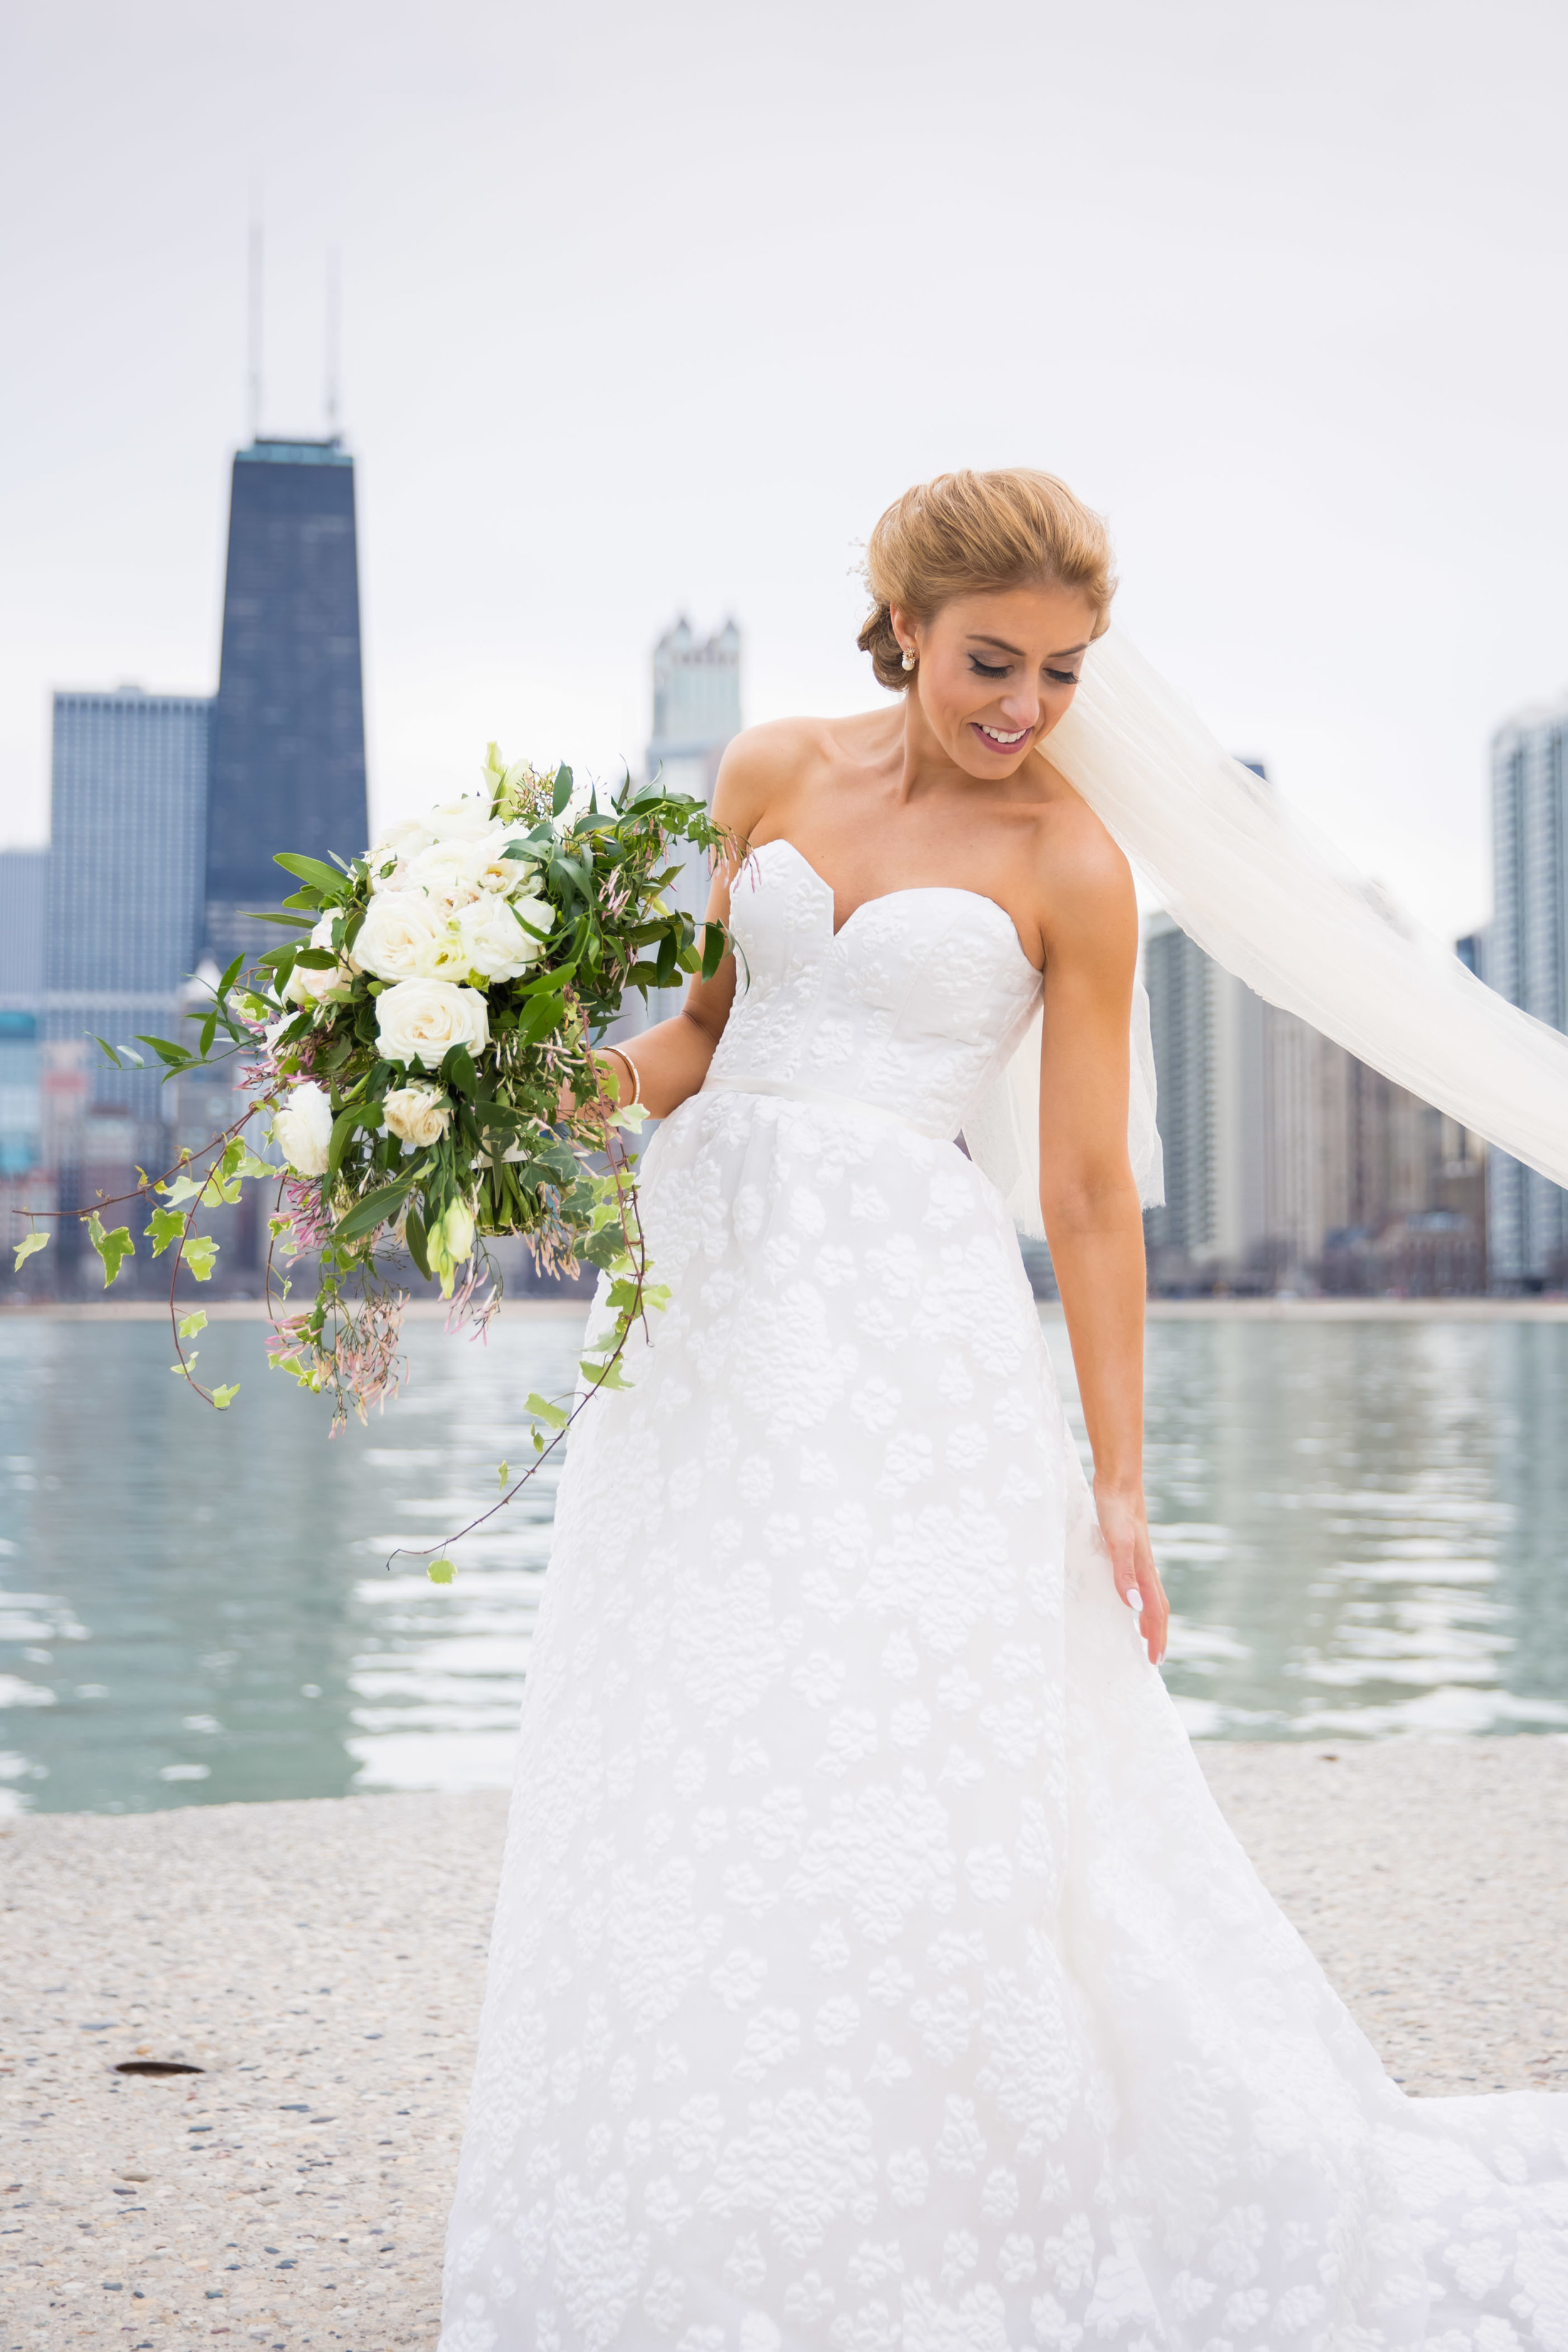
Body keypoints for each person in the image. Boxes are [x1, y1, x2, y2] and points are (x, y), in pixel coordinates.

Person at [440, 470, 1568, 2350]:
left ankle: (931, 2199)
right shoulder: (766, 774)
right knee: (704, 1712)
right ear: (899, 620)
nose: (1021, 709)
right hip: (708, 1312)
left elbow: (1088, 1197)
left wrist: (1119, 1486)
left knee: (902, 1745)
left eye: (1057, 673)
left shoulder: (1071, 862)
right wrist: (526, 1083)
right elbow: (705, 1035)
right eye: (989, 663)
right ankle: (705, 2178)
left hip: (906, 1335)